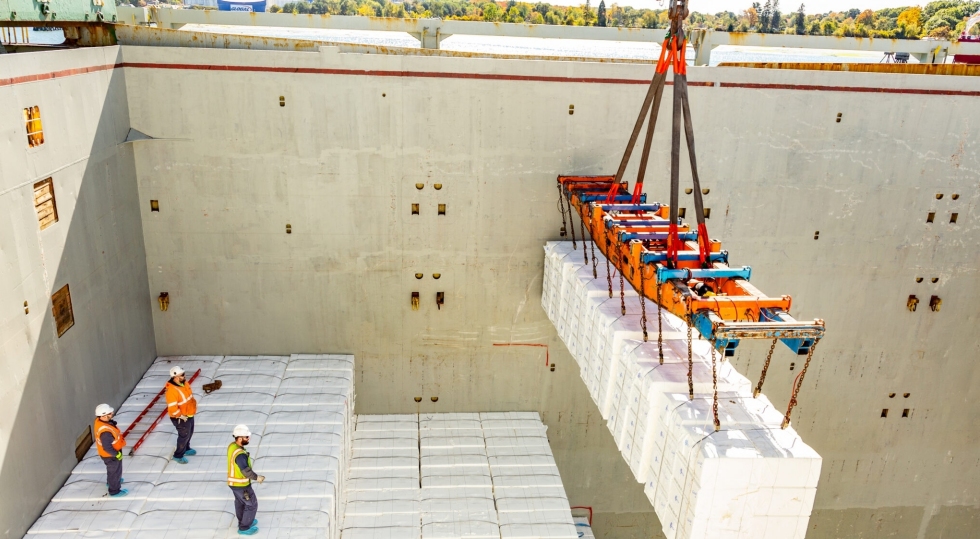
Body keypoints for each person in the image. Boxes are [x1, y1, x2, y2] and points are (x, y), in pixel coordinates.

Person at [228, 424, 264, 536]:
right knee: (251, 504)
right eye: (246, 437)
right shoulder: (240, 455)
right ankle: (244, 527)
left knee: (240, 503)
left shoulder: (232, 446)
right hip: (241, 485)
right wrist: (257, 477)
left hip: (233, 483)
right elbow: (245, 470)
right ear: (239, 438)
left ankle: (244, 521)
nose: (248, 439)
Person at [94, 403, 128, 497]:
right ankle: (114, 490)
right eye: (110, 413)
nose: (112, 413)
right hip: (111, 455)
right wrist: (116, 454)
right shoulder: (105, 433)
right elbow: (107, 447)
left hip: (110, 454)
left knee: (112, 470)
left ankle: (112, 482)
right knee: (114, 471)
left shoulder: (100, 422)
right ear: (104, 416)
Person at [165, 366, 197, 464]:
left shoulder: (184, 383)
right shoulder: (172, 391)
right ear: (176, 377)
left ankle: (186, 448)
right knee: (184, 435)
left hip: (189, 414)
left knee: (189, 433)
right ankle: (178, 455)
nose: (185, 376)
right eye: (182, 375)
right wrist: (179, 415)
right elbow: (172, 408)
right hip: (181, 418)